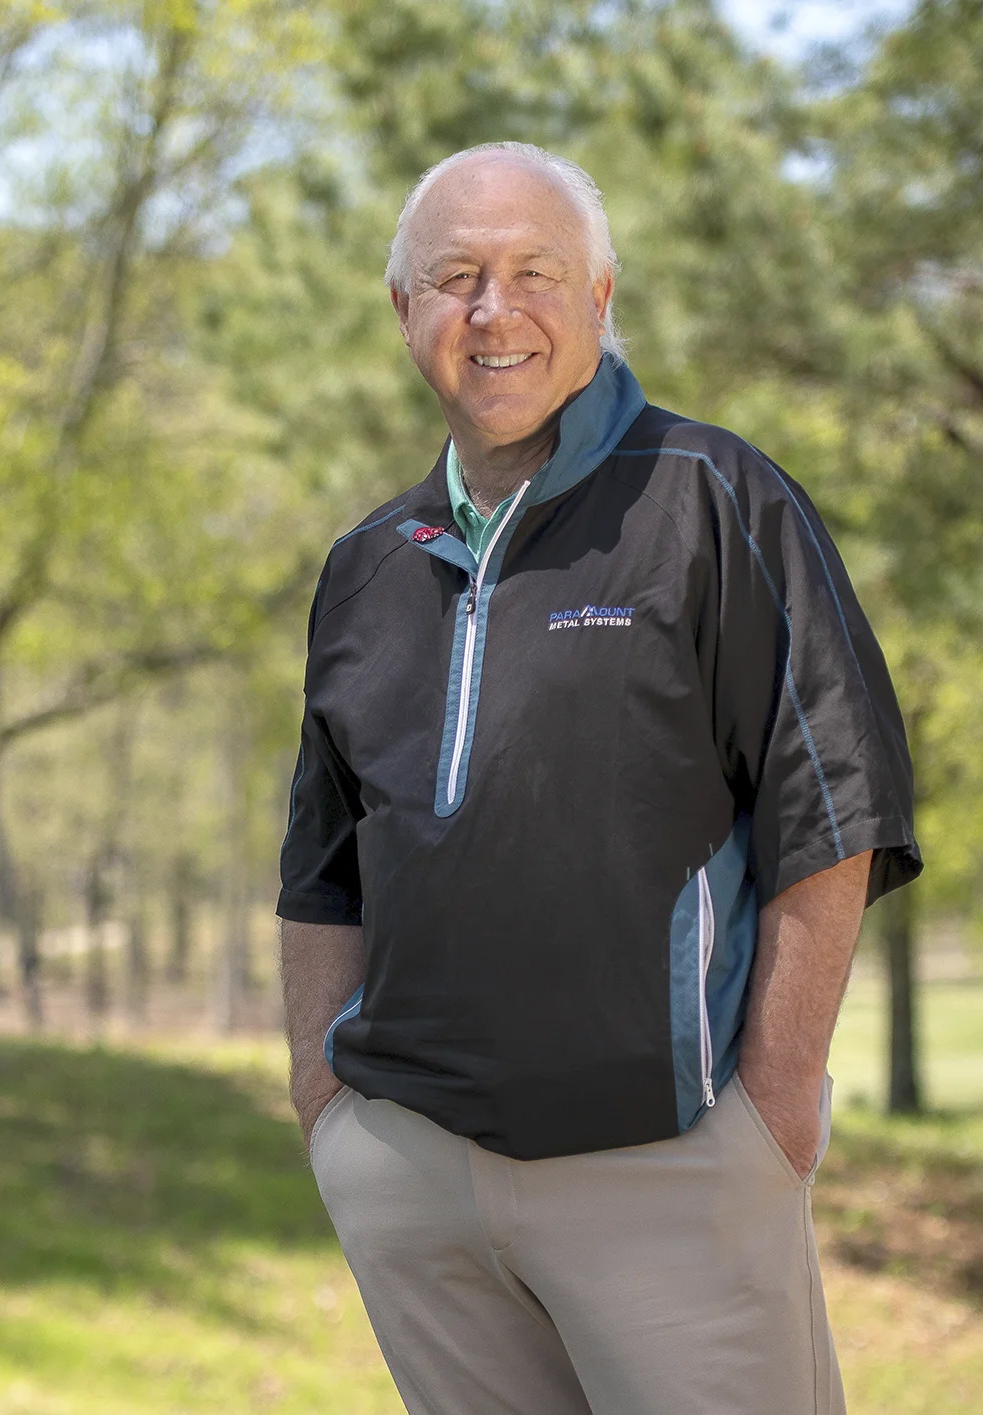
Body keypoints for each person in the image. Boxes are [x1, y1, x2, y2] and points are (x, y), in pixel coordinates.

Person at [276, 141, 920, 1415]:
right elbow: (324, 865)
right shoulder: (365, 565)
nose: (492, 311)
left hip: (667, 1169)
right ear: (403, 310)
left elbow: (831, 798)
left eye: (535, 273)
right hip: (419, 1176)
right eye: (454, 276)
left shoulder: (710, 497)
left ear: (601, 299)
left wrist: (775, 1108)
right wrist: (327, 1109)